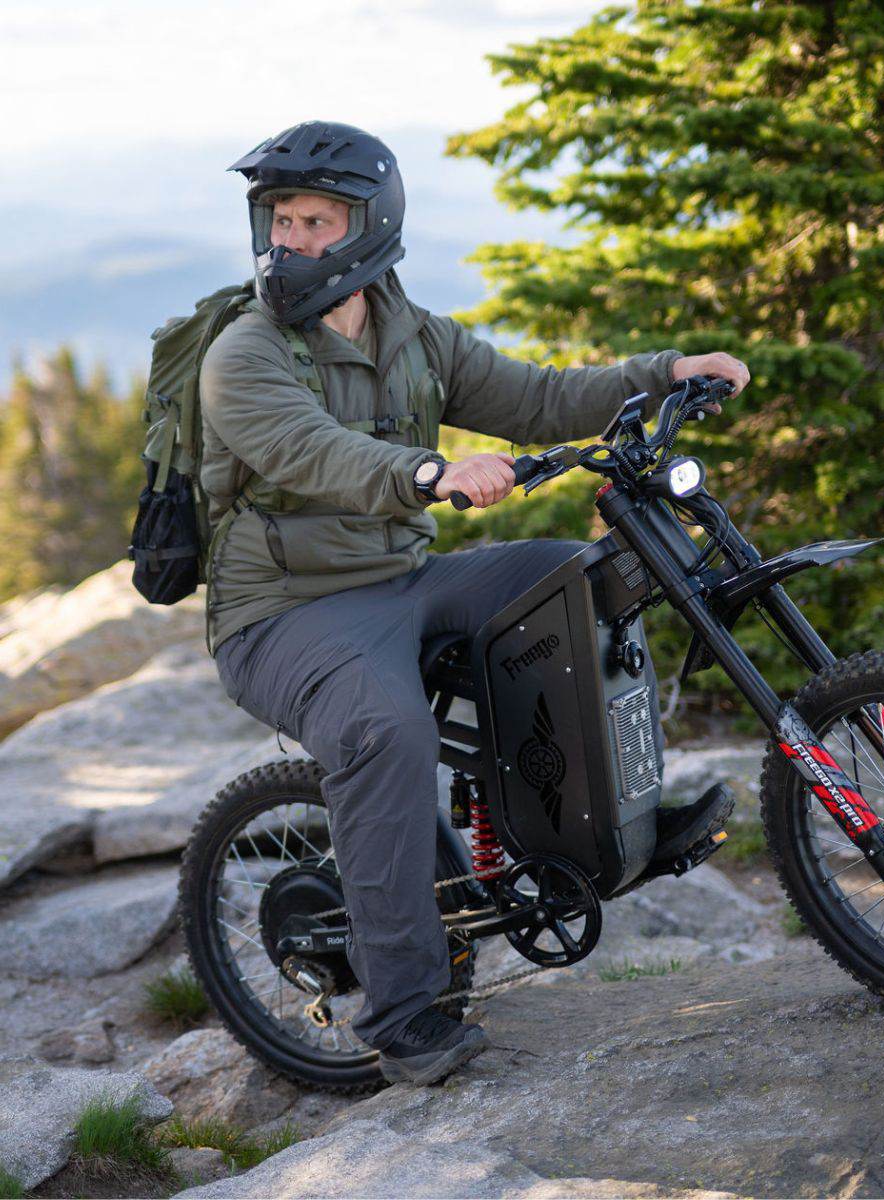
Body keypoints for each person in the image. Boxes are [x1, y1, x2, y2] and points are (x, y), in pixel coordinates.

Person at [200, 120, 750, 1086]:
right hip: (283, 612)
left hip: (400, 581)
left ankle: (612, 829)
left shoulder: (414, 336)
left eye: (314, 221)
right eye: (280, 219)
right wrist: (431, 471)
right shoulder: (245, 354)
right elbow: (310, 452)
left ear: (369, 226)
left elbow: (537, 398)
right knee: (387, 730)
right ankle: (405, 1012)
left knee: (580, 580)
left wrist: (663, 374)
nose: (288, 241)